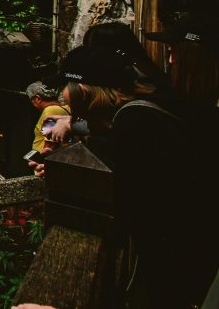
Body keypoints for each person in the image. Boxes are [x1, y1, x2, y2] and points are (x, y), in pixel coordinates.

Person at [38, 43, 219, 307]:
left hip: (180, 258)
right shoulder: (157, 103)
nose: (62, 98)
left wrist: (68, 175)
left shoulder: (134, 123)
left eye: (65, 89)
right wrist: (73, 125)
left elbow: (127, 196)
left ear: (83, 90)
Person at [25, 81, 69, 154]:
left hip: (46, 161)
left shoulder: (50, 110)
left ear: (38, 99)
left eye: (32, 101)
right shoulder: (65, 108)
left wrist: (40, 160)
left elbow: (49, 146)